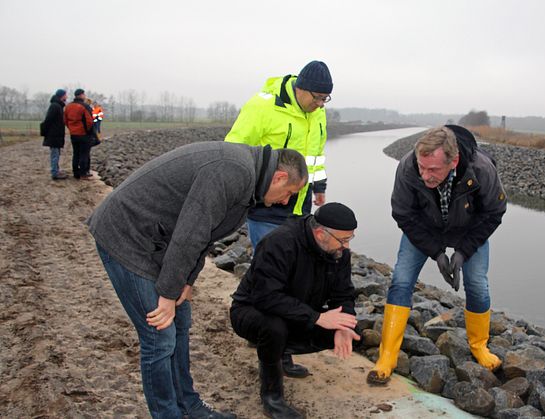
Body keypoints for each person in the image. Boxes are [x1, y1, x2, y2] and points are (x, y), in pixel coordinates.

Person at [87, 141, 308, 419]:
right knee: (159, 337)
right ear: (280, 177)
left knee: (180, 322)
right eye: (288, 193)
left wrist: (187, 281)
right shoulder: (232, 171)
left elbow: (206, 234)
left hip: (158, 241)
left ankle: (190, 406)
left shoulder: (248, 180)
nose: (286, 201)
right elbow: (190, 234)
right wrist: (167, 295)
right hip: (127, 235)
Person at [367, 125, 508, 385]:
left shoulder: (481, 169)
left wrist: (463, 252)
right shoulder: (409, 167)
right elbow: (403, 213)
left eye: (433, 170)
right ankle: (387, 356)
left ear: (453, 161)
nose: (425, 175)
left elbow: (494, 212)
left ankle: (479, 347)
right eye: (422, 167)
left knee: (477, 284)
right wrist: (437, 253)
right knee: (401, 280)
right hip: (424, 227)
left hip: (468, 230)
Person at [230, 203, 360, 419]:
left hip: (297, 311)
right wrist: (317, 317)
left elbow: (344, 294)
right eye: (343, 240)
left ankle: (282, 353)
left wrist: (344, 325)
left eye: (350, 239)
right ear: (320, 233)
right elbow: (266, 297)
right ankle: (272, 396)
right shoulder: (279, 243)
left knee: (353, 333)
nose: (346, 247)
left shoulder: (338, 253)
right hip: (250, 310)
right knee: (275, 328)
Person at [225, 60, 333, 246]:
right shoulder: (262, 106)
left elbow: (316, 154)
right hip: (267, 207)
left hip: (301, 207)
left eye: (325, 98)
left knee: (293, 264)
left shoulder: (317, 113)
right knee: (270, 264)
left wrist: (319, 187)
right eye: (318, 97)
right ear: (301, 88)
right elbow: (234, 150)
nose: (321, 104)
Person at [63, 88, 94, 179]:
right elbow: (89, 122)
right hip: (83, 134)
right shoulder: (84, 106)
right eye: (84, 94)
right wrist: (88, 132)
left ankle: (75, 172)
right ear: (81, 95)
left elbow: (65, 120)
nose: (85, 96)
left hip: (73, 133)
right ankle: (83, 173)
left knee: (76, 153)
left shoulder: (68, 106)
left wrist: (71, 128)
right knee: (84, 154)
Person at [41, 89, 68, 180]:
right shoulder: (55, 106)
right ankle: (55, 173)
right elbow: (48, 120)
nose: (66, 97)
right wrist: (46, 132)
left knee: (56, 153)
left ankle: (56, 170)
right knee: (55, 154)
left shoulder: (57, 106)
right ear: (62, 96)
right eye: (65, 95)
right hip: (54, 135)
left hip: (56, 134)